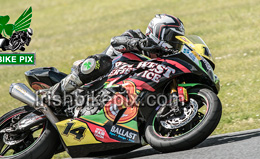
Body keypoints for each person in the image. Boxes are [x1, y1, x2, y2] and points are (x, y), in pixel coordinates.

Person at [50, 14, 185, 99]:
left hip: (117, 91)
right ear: (158, 31)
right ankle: (55, 92)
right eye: (172, 38)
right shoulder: (136, 35)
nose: (174, 44)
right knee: (101, 61)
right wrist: (138, 43)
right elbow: (115, 41)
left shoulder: (161, 63)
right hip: (98, 75)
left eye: (177, 41)